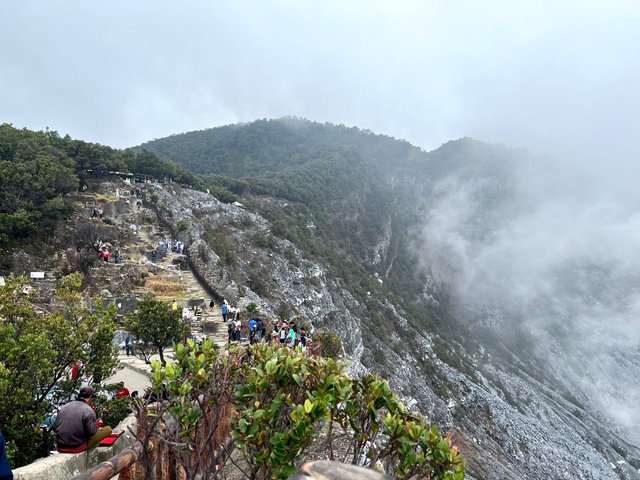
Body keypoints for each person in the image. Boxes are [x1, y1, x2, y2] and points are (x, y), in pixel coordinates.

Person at [53, 386, 112, 453]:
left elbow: (55, 427)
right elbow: (92, 432)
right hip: (76, 447)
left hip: (60, 447)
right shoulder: (88, 410)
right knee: (108, 429)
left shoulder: (65, 407)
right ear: (90, 397)